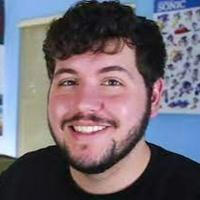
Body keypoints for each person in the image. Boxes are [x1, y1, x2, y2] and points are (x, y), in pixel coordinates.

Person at [0, 0, 200, 199]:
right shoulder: (19, 180)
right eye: (69, 82)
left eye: (112, 82)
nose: (83, 103)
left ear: (154, 97)